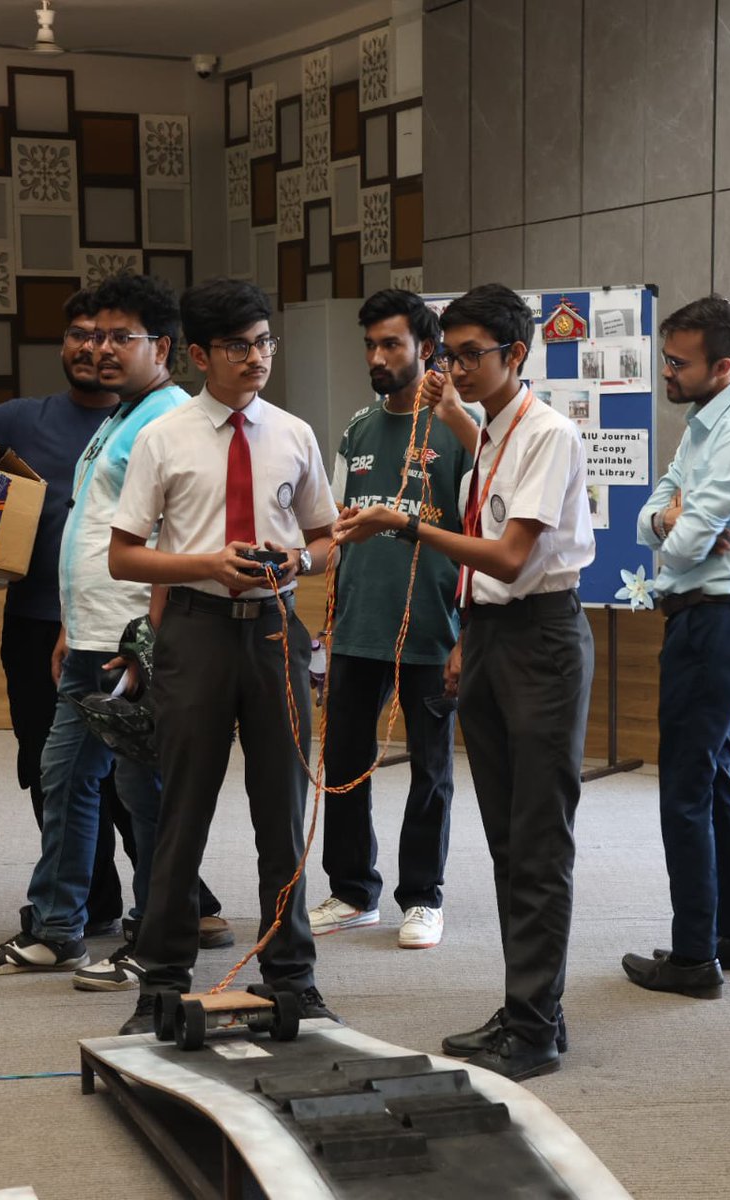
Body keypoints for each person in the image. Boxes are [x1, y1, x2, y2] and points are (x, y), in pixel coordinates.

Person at [333, 283, 595, 1081]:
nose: (453, 369)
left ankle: (535, 1029)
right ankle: (528, 1008)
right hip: (488, 634)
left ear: (515, 354)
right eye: (447, 355)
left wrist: (405, 523)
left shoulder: (545, 433)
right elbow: (487, 545)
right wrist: (465, 633)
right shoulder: (488, 433)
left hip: (540, 639)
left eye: (470, 355)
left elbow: (511, 558)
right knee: (508, 842)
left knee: (538, 843)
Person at [0, 273, 229, 986]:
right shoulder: (123, 417)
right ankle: (58, 930)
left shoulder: (171, 423)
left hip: (132, 644)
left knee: (143, 793)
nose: (103, 349)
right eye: (91, 335)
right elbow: (90, 534)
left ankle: (160, 937)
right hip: (86, 637)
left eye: (122, 337)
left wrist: (148, 640)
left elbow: (179, 535)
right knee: (61, 778)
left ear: (163, 347)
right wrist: (70, 625)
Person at [109, 277, 339, 1034]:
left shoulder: (295, 433)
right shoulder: (163, 437)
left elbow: (327, 540)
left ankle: (292, 977)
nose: (257, 358)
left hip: (273, 629)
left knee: (283, 811)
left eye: (265, 342)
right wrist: (206, 563)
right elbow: (124, 556)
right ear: (200, 356)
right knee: (183, 811)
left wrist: (300, 562)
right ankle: (161, 980)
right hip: (196, 629)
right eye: (238, 346)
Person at [308, 288, 474, 950]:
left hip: (433, 627)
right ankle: (352, 892)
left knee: (430, 769)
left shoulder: (460, 427)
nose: (377, 357)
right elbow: (335, 530)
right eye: (370, 345)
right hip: (357, 626)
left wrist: (467, 633)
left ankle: (423, 897)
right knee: (344, 761)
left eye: (391, 344)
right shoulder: (356, 429)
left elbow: (483, 532)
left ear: (426, 349)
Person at [0, 289, 134, 935]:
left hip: (123, 622)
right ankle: (91, 903)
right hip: (35, 622)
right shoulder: (20, 419)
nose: (92, 347)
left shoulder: (147, 422)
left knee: (131, 765)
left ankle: (184, 899)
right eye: (79, 334)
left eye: (108, 335)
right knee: (48, 764)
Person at [622, 295, 730, 997]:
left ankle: (693, 960)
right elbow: (654, 517)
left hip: (715, 621)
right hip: (702, 618)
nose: (665, 372)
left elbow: (681, 547)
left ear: (721, 366)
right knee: (712, 779)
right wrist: (671, 522)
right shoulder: (702, 423)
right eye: (665, 358)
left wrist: (676, 528)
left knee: (684, 788)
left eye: (678, 363)